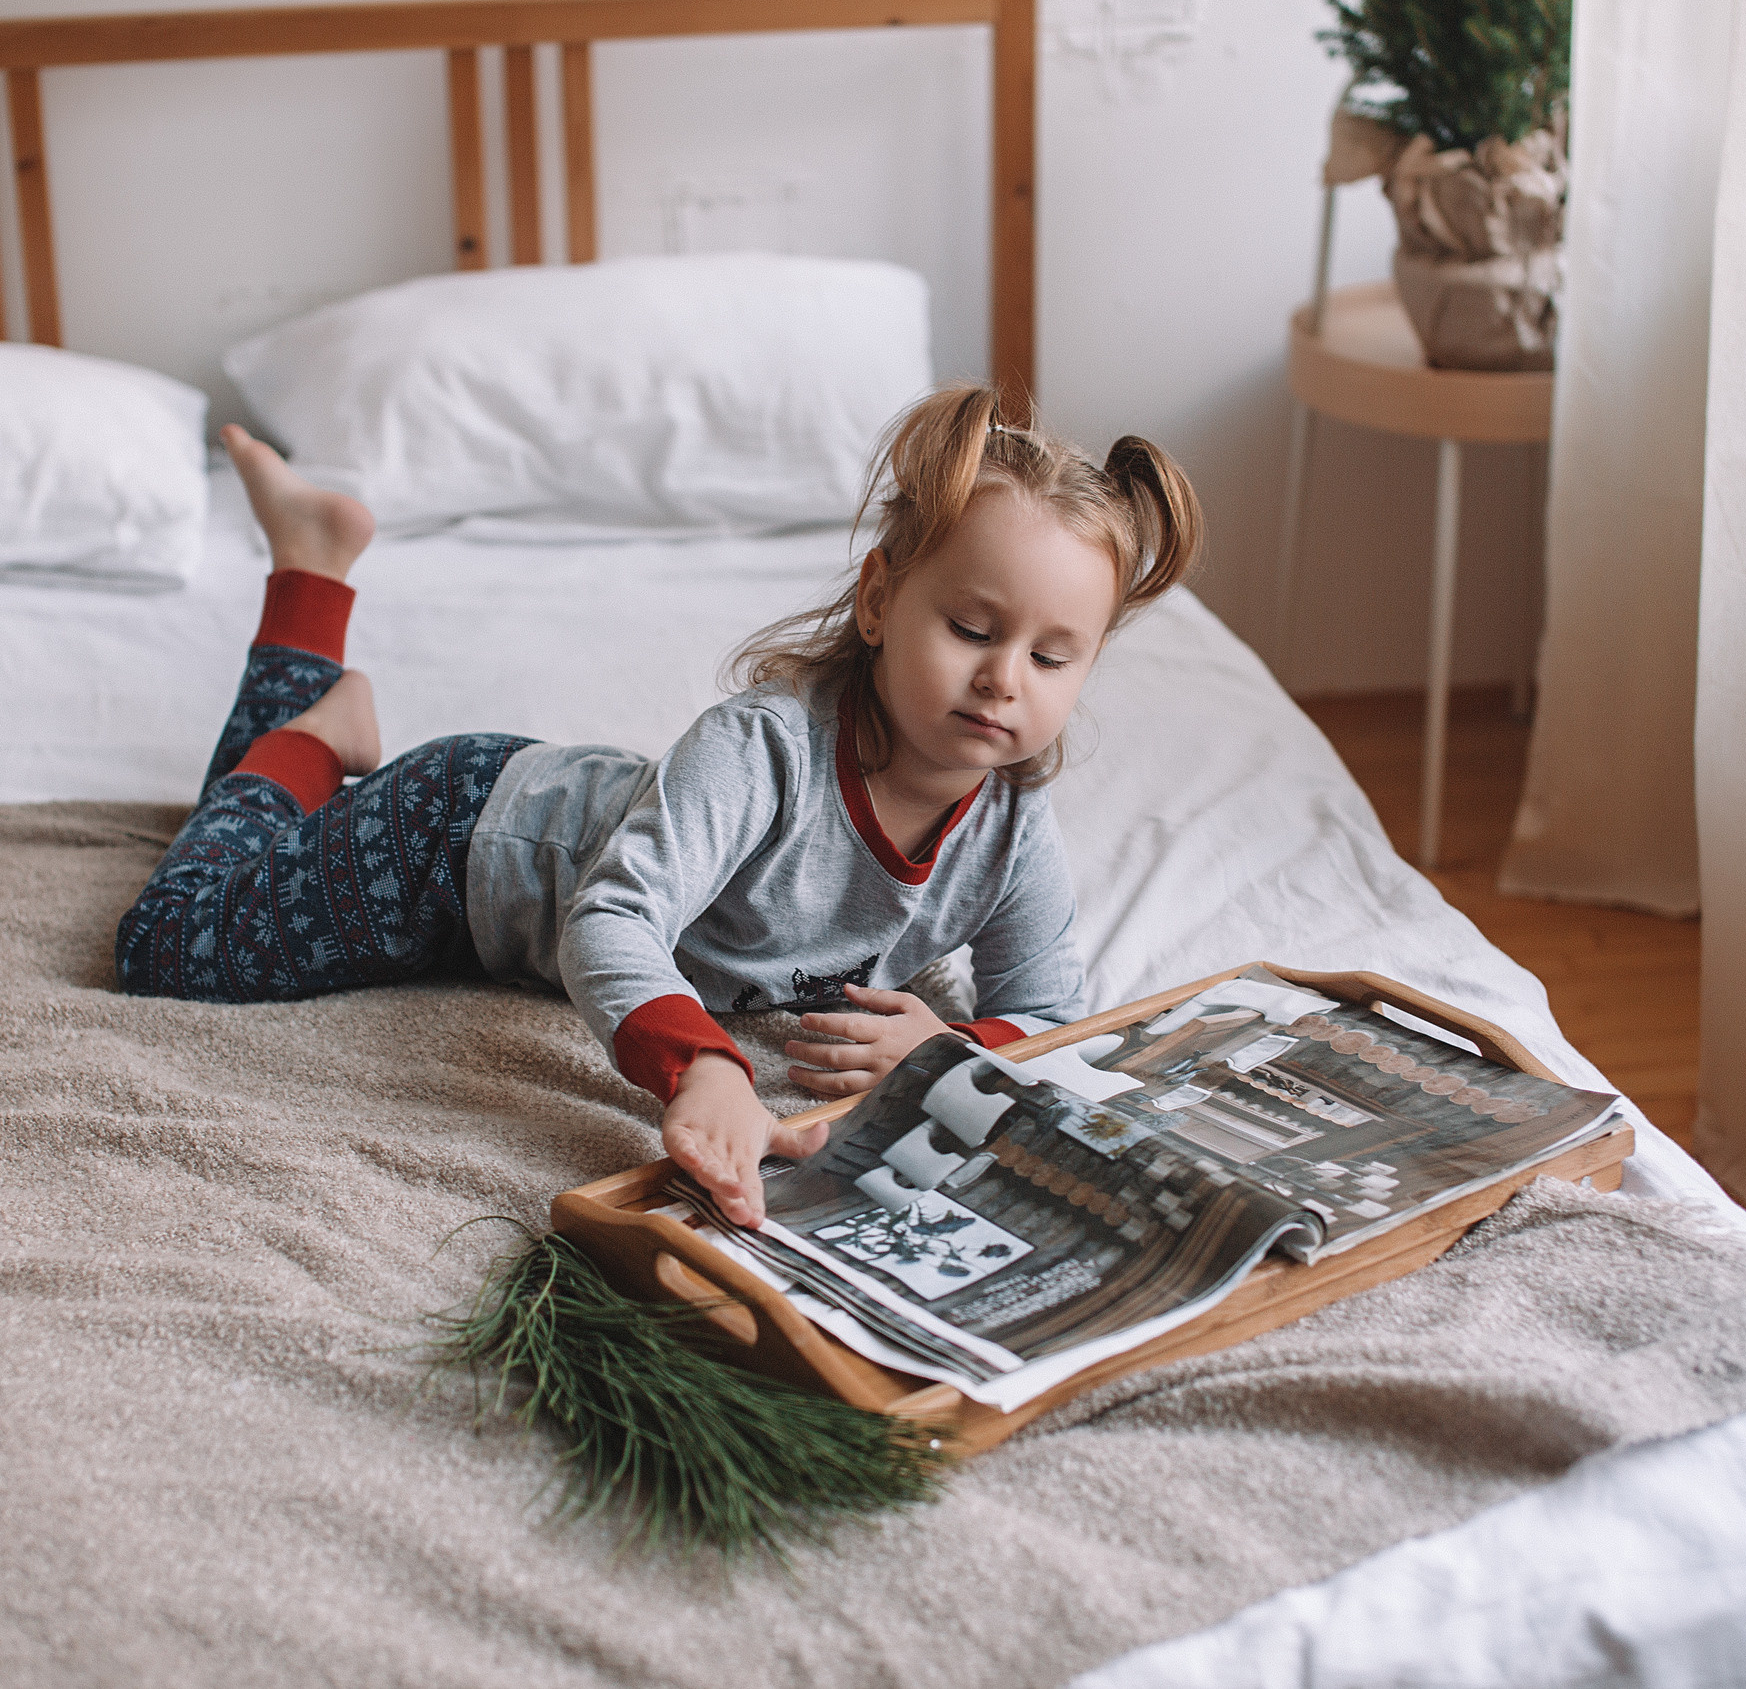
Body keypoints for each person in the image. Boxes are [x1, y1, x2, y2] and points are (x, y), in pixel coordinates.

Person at [116, 385, 1202, 1228]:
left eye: (1054, 656)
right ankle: (313, 728)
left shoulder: (1011, 832)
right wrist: (705, 1070)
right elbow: (613, 920)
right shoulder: (762, 750)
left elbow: (1059, 1012)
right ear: (879, 600)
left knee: (221, 886)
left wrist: (949, 1046)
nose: (1006, 678)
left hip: (504, 856)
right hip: (459, 843)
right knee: (172, 943)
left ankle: (313, 604)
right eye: (971, 629)